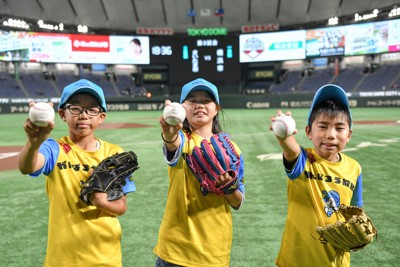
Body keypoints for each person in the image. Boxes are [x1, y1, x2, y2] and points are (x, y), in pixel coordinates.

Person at [18, 79, 136, 267]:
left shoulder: (114, 154)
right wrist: (34, 143)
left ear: (101, 116)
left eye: (91, 109)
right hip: (63, 259)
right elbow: (27, 167)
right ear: (63, 114)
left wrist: (101, 201)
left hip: (105, 258)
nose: (83, 115)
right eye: (75, 108)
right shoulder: (54, 148)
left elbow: (121, 207)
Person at [154, 78, 246, 267]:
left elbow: (237, 202)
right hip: (176, 248)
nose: (199, 105)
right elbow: (172, 145)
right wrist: (169, 134)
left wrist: (230, 187)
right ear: (183, 107)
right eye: (193, 100)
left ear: (216, 108)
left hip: (215, 250)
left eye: (206, 101)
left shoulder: (232, 149)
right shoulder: (182, 139)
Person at [270, 84, 363, 267]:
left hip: (336, 260)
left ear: (349, 134)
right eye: (323, 126)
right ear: (308, 132)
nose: (330, 135)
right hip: (296, 259)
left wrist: (357, 229)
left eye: (339, 128)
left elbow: (356, 211)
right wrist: (283, 134)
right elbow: (290, 149)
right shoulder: (303, 159)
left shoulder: (354, 168)